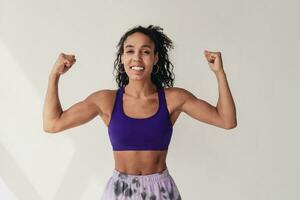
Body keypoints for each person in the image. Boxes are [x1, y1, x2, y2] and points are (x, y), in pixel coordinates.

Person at [43, 25, 237, 200]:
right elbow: (52, 124)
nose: (136, 58)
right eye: (130, 51)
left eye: (145, 51)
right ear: (122, 58)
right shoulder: (105, 100)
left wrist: (220, 74)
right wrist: (54, 76)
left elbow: (226, 120)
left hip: (160, 191)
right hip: (120, 191)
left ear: (155, 58)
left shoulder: (173, 98)